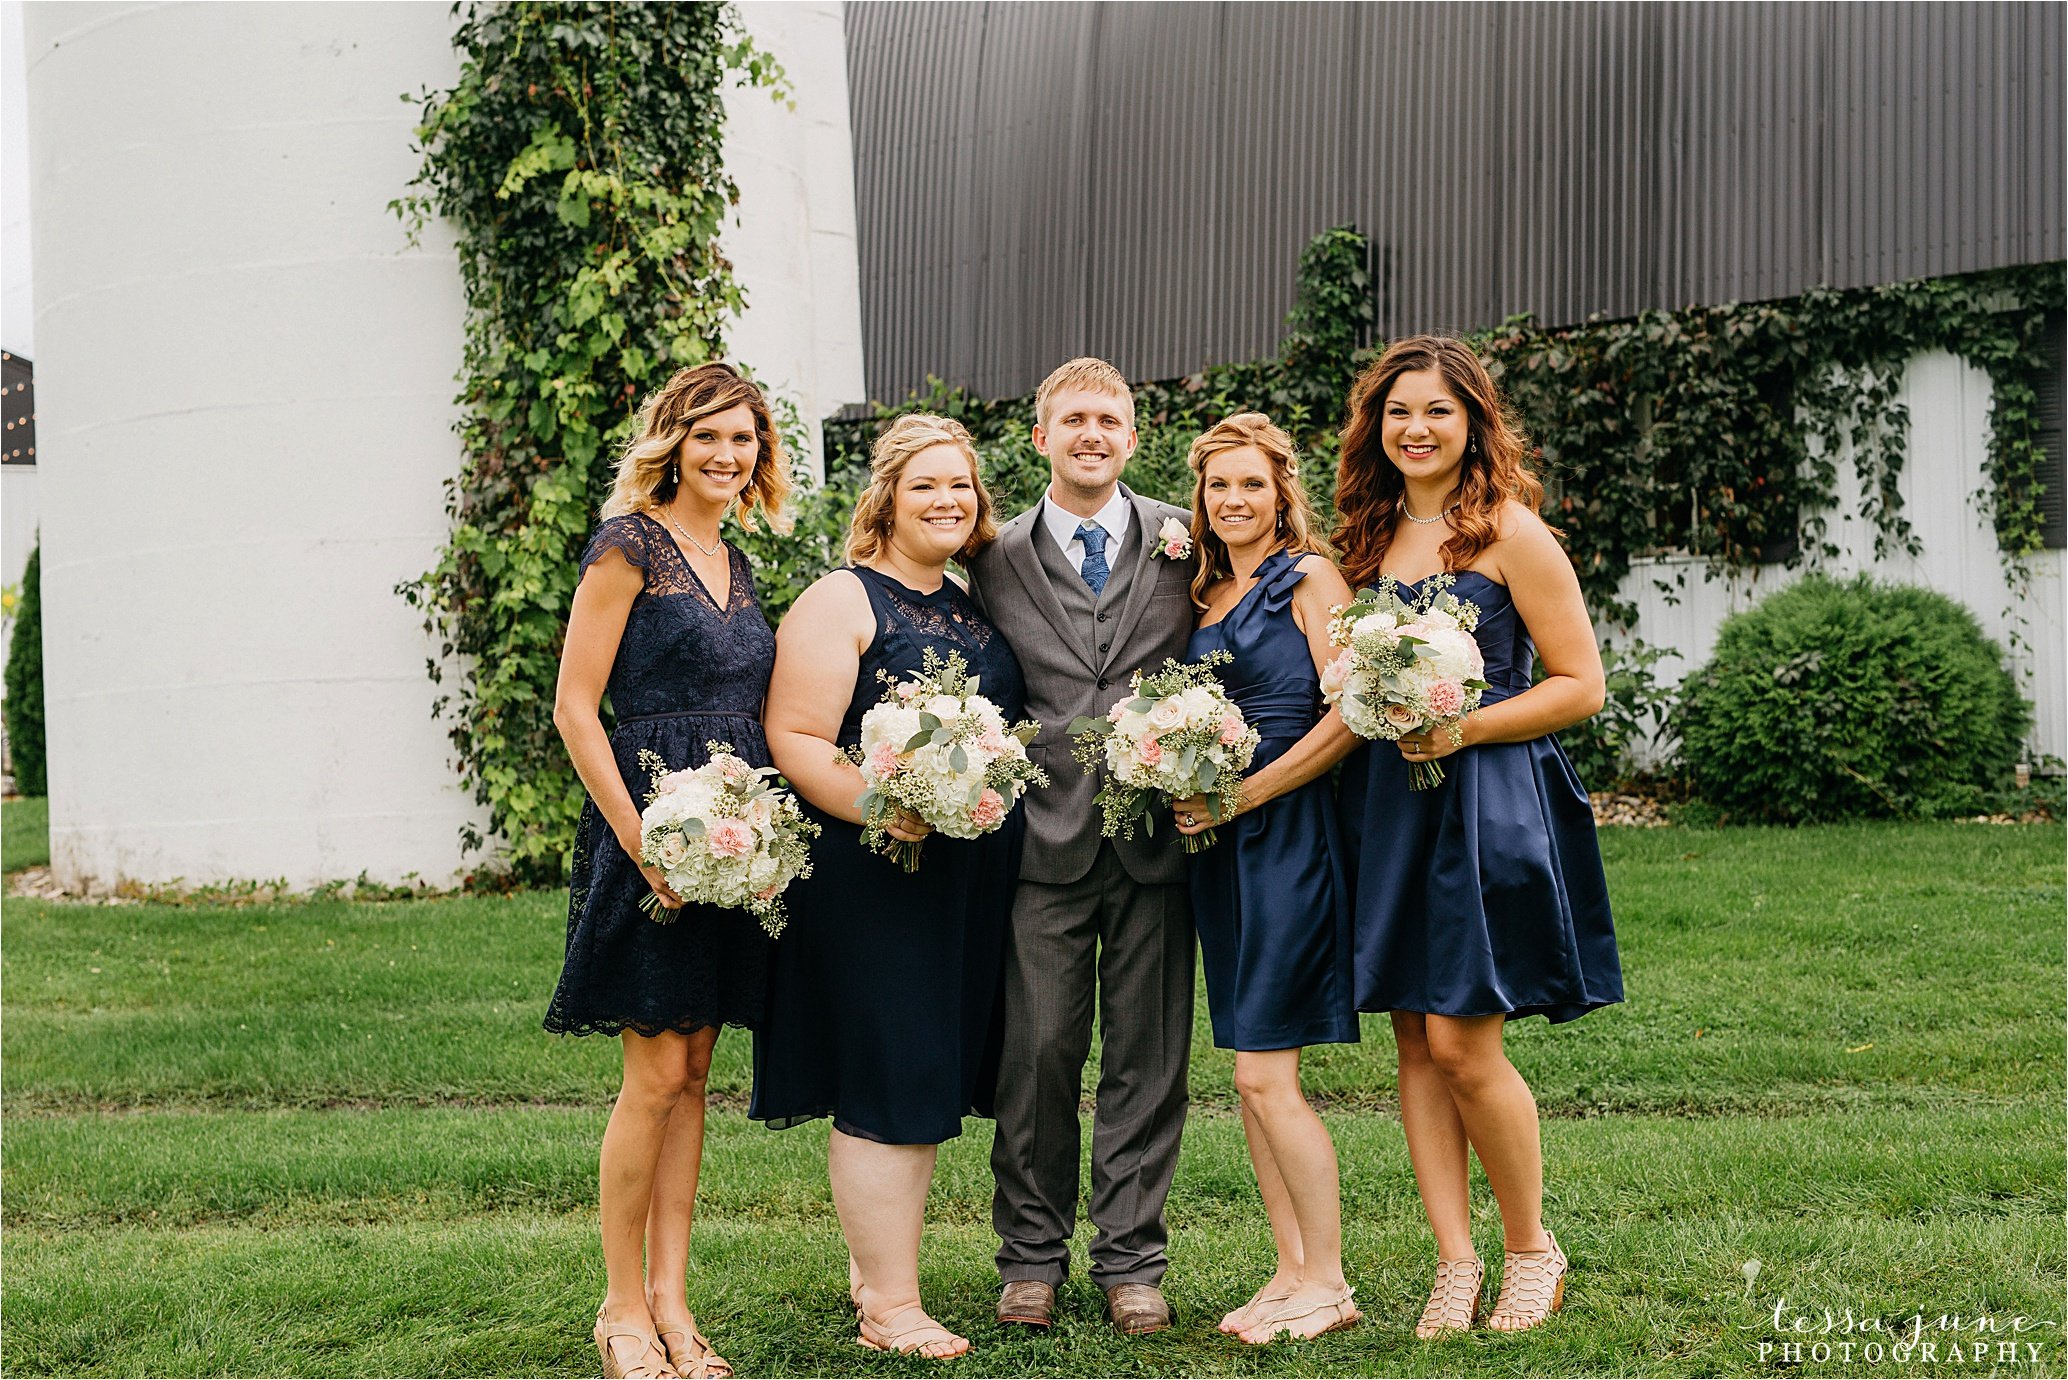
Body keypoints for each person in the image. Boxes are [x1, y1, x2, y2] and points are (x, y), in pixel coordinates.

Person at [1332, 335, 1624, 1337]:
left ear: (1473, 425)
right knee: (1412, 1035)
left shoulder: (1508, 532)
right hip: (1387, 806)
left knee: (1463, 1037)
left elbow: (1579, 684)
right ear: (1376, 426)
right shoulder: (1364, 540)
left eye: (1437, 413)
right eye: (1398, 411)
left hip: (1484, 799)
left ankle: (1532, 1247)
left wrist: (1462, 724)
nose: (1415, 429)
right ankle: (1454, 1261)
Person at [752, 413, 1023, 1361]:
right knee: (890, 1078)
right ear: (889, 501)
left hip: (962, 880)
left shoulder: (967, 602)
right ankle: (891, 1312)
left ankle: (875, 1273)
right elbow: (795, 738)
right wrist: (883, 805)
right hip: (877, 877)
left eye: (963, 487)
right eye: (927, 487)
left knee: (925, 1076)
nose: (949, 502)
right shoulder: (845, 598)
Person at [545, 362, 794, 1380]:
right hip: (653, 836)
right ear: (671, 442)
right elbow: (575, 707)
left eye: (743, 440)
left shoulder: (737, 560)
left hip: (732, 844)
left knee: (695, 1076)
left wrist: (762, 835)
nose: (727, 456)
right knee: (651, 1078)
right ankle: (618, 1310)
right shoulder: (629, 546)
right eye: (708, 438)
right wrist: (645, 839)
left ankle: (675, 1304)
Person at [964, 357, 1198, 1336]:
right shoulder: (992, 557)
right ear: (1041, 437)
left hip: (1156, 841)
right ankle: (1029, 1261)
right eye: (1074, 421)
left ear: (1133, 438)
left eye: (1109, 420)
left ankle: (1131, 1263)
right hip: (1040, 846)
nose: (1091, 435)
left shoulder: (1188, 546)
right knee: (1039, 1056)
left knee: (1147, 1059)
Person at [1166, 413, 1362, 1343]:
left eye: (1251, 485)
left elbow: (1351, 714)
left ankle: (1328, 1279)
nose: (1233, 501)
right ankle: (1287, 1271)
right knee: (1248, 1079)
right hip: (1218, 847)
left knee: (1266, 1072)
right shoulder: (1202, 591)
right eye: (1217, 486)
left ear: (1283, 491)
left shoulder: (1309, 579)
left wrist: (1246, 795)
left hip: (1287, 835)